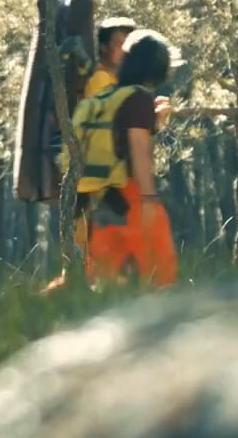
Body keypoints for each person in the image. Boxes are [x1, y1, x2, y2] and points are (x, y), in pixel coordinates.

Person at [71, 28, 181, 288]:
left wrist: (154, 120)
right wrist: (148, 199)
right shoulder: (139, 98)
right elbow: (138, 147)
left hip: (97, 199)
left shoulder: (108, 96)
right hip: (130, 195)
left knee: (101, 278)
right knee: (160, 269)